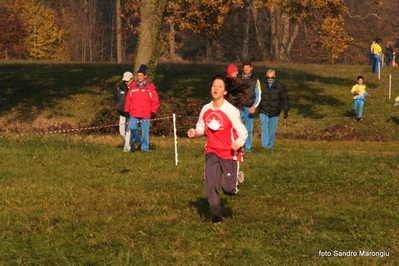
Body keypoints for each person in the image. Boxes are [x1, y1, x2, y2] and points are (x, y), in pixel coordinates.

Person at [187, 75, 250, 224]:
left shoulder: (231, 110)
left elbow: (243, 132)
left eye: (220, 86)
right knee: (210, 184)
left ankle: (235, 179)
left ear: (225, 92)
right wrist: (194, 133)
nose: (215, 88)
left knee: (228, 189)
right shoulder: (206, 109)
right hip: (212, 150)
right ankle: (216, 218)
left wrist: (239, 142)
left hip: (229, 152)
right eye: (214, 85)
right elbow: (201, 128)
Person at [124, 64, 160, 152]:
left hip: (145, 113)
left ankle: (144, 148)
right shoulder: (132, 87)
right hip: (134, 113)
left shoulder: (150, 87)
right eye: (138, 75)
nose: (139, 77)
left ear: (145, 76)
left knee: (145, 133)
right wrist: (126, 110)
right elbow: (128, 100)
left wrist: (153, 111)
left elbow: (155, 101)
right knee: (132, 128)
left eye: (141, 76)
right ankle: (137, 141)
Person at [259, 69, 289, 150]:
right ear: (266, 77)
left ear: (274, 77)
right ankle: (264, 145)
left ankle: (270, 146)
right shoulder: (261, 84)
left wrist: (285, 110)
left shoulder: (280, 86)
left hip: (275, 111)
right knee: (264, 127)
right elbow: (257, 95)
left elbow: (284, 98)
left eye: (272, 77)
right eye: (268, 77)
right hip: (264, 110)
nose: (270, 79)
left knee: (272, 130)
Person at [240, 61, 261, 153]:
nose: (246, 69)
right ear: (242, 68)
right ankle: (239, 147)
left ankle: (248, 148)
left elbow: (259, 94)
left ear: (251, 68)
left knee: (248, 129)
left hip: (249, 108)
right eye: (245, 67)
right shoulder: (238, 79)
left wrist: (254, 106)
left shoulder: (256, 80)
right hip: (239, 108)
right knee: (238, 128)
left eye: (248, 67)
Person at [114, 71, 134, 152]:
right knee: (122, 132)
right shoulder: (119, 87)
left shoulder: (135, 88)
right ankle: (134, 142)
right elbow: (115, 98)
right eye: (125, 80)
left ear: (132, 79)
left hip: (131, 113)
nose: (126, 82)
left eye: (127, 80)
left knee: (128, 131)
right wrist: (118, 105)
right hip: (122, 113)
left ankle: (127, 148)